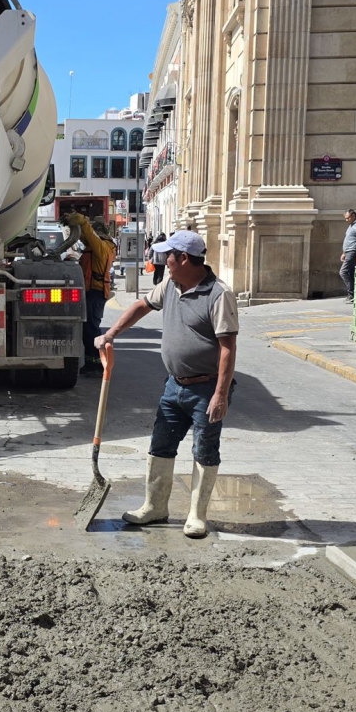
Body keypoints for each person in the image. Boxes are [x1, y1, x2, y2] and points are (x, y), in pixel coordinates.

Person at [95, 230, 238, 539]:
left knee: (204, 450)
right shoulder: (171, 285)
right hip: (174, 386)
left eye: (167, 256)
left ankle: (197, 516)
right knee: (161, 445)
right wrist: (111, 334)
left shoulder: (218, 294)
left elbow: (227, 347)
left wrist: (220, 395)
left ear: (184, 258)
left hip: (206, 388)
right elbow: (141, 307)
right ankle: (154, 507)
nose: (162, 261)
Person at [64, 211, 115, 377]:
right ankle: (92, 363)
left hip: (95, 292)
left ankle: (97, 364)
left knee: (91, 329)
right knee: (88, 329)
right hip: (92, 291)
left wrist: (82, 221)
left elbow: (90, 237)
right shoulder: (99, 247)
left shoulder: (102, 247)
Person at [340, 209, 356, 302]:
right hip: (348, 252)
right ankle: (352, 294)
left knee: (343, 272)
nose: (346, 220)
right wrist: (344, 253)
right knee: (350, 273)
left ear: (354, 216)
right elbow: (348, 240)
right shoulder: (351, 226)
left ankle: (351, 293)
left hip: (353, 251)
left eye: (348, 218)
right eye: (345, 218)